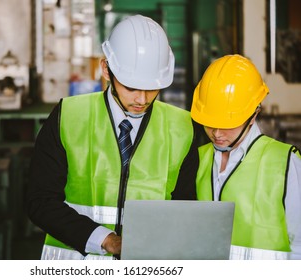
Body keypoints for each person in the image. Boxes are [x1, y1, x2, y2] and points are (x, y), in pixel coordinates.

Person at [26, 14, 199, 260]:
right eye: (131, 87)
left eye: (152, 88)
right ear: (106, 69)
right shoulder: (69, 116)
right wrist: (105, 239)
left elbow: (186, 209)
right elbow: (40, 201)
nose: (142, 99)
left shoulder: (180, 127)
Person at [191, 54, 301, 260]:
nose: (216, 133)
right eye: (209, 122)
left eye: (227, 123)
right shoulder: (198, 160)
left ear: (254, 114)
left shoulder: (285, 164)